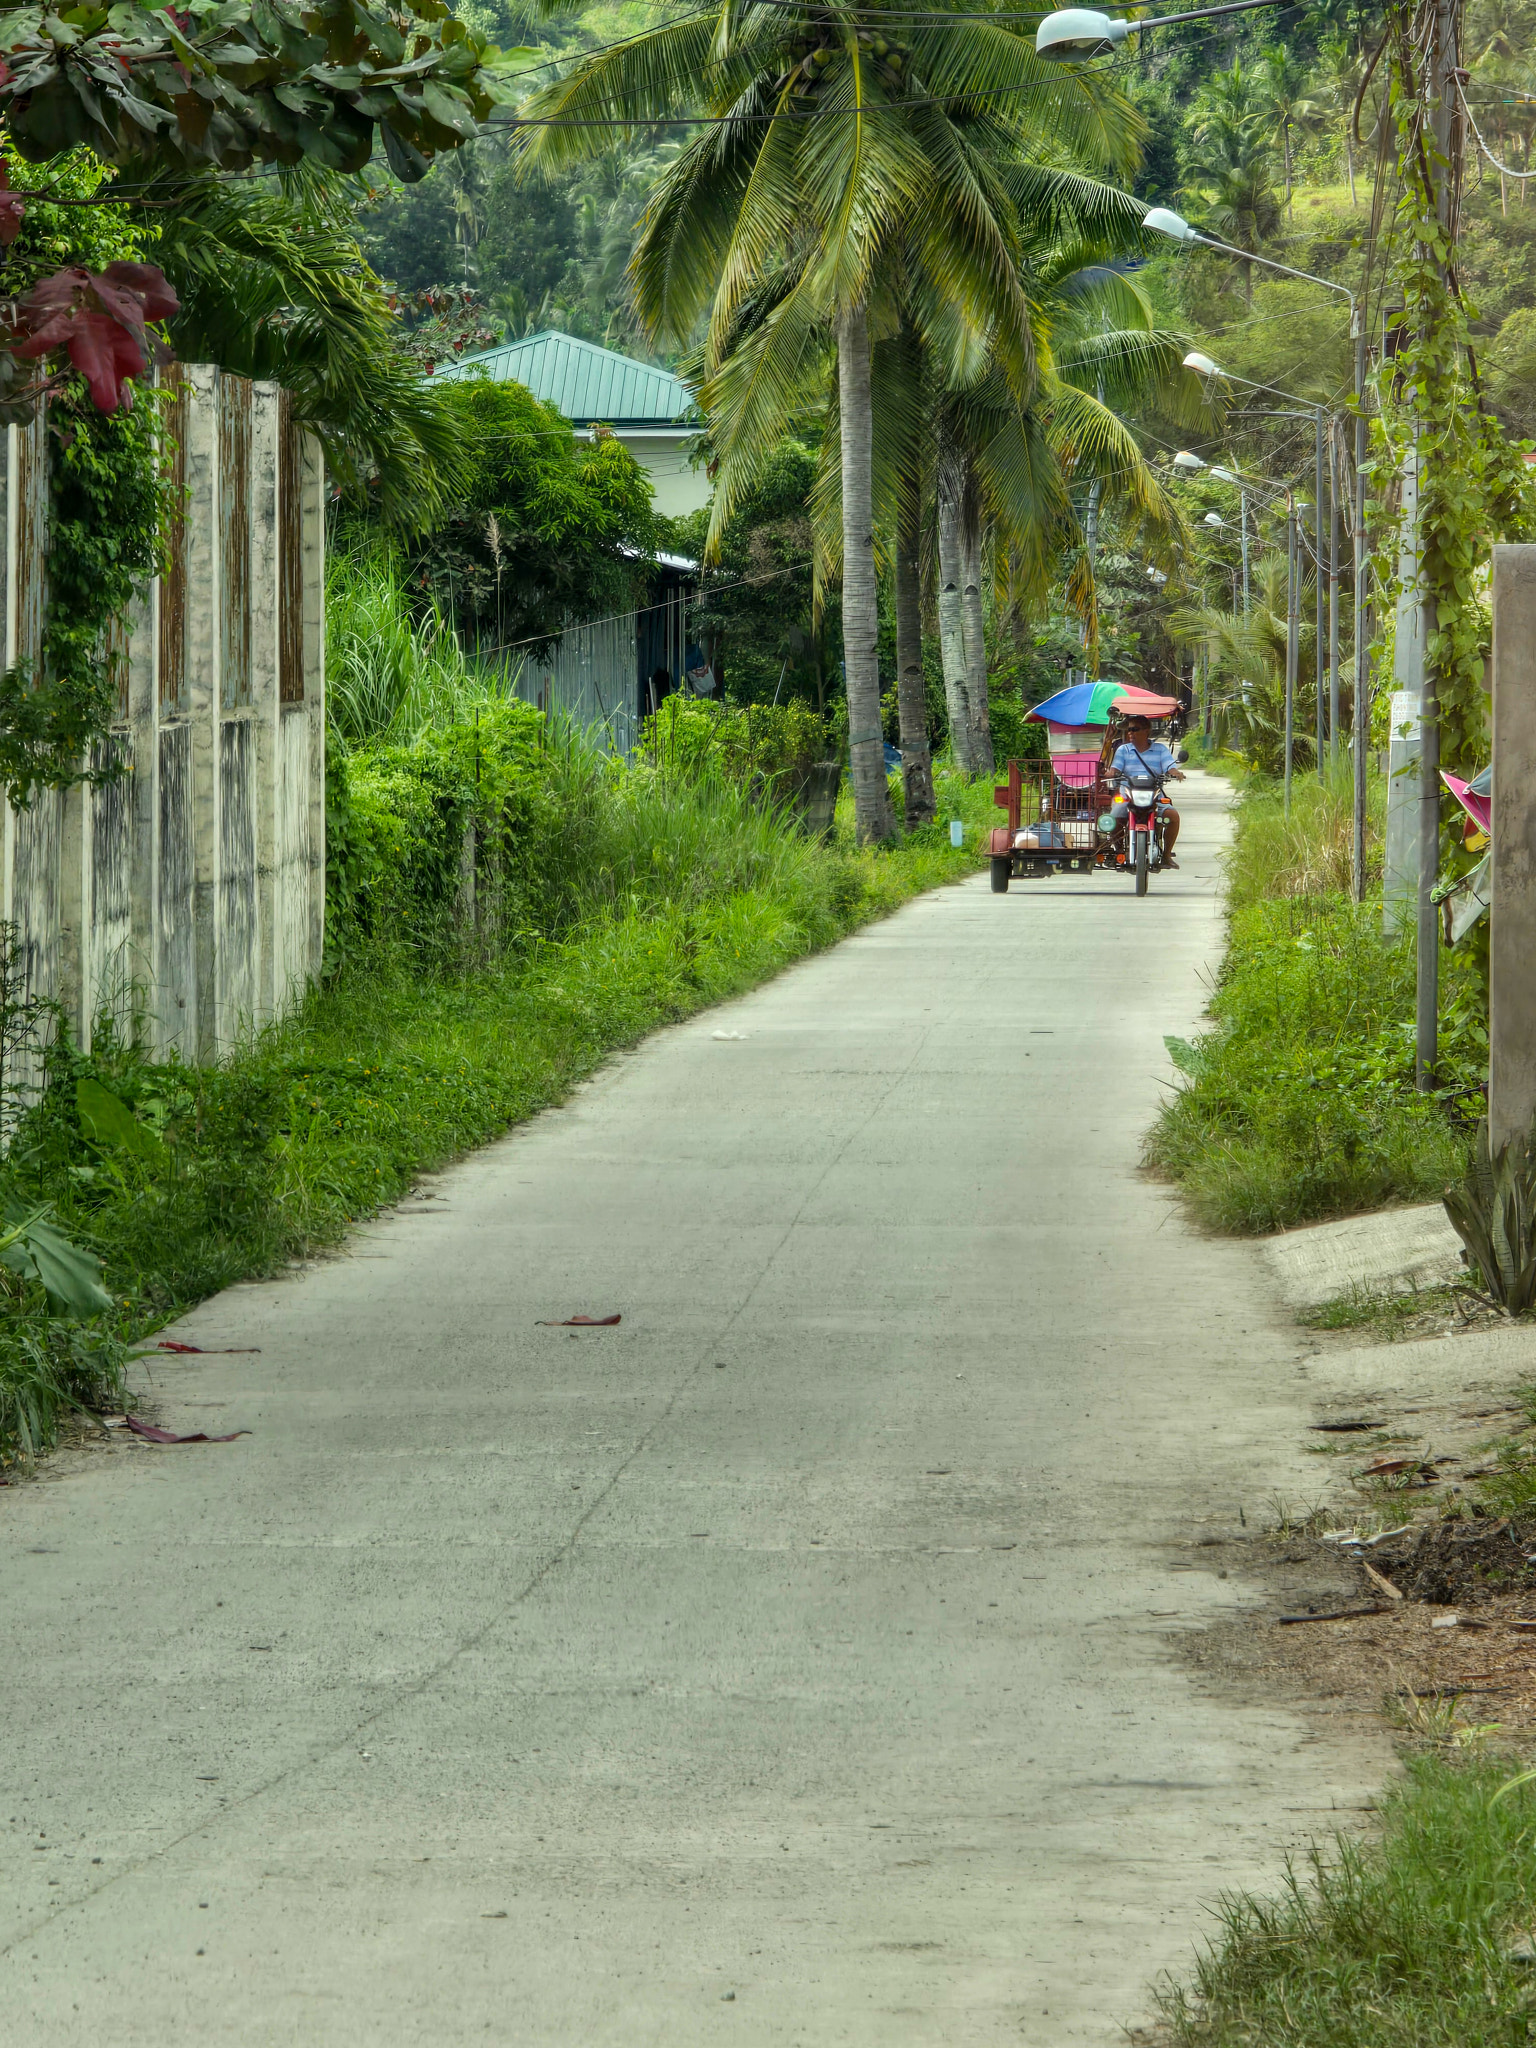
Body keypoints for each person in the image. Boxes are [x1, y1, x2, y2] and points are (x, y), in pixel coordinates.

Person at [1108, 714, 1184, 867]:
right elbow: (1115, 769)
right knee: (1112, 819)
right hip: (1128, 795)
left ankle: (1167, 855)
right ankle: (1120, 852)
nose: (1130, 733)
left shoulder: (1160, 749)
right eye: (1129, 730)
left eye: (1135, 729)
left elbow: (1170, 767)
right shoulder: (1123, 750)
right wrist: (1110, 773)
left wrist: (1175, 773)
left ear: (1147, 731)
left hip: (1154, 795)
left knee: (1173, 816)